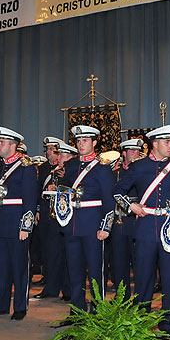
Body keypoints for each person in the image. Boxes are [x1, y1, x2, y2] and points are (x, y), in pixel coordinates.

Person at [115, 124, 170, 339]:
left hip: (169, 229)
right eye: (167, 142)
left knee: (169, 277)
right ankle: (142, 317)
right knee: (143, 277)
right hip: (146, 228)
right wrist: (131, 206)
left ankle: (167, 321)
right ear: (155, 144)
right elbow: (118, 191)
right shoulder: (139, 167)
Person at [56, 125, 115, 314]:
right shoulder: (71, 165)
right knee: (74, 270)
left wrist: (106, 226)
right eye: (78, 141)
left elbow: (109, 200)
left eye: (85, 141)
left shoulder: (103, 167)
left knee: (96, 271)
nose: (81, 144)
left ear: (94, 143)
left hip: (93, 225)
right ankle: (77, 310)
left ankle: (97, 311)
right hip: (72, 223)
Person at [0, 127, 38, 321]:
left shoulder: (26, 167)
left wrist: (26, 226)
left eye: (2, 143)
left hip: (16, 224)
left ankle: (20, 307)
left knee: (19, 267)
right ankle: (1, 304)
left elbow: (30, 199)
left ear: (13, 145)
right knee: (0, 266)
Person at [33, 136, 69, 299]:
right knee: (49, 253)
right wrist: (38, 209)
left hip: (64, 216)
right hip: (48, 215)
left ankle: (67, 290)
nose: (48, 152)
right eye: (47, 150)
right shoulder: (43, 168)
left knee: (67, 254)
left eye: (51, 150)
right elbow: (37, 191)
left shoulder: (70, 167)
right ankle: (51, 287)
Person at [110, 138, 143, 301]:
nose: (136, 154)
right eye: (132, 151)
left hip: (137, 221)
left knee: (139, 262)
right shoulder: (115, 173)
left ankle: (140, 297)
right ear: (124, 153)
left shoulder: (142, 172)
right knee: (119, 261)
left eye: (138, 151)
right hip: (119, 221)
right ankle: (122, 295)